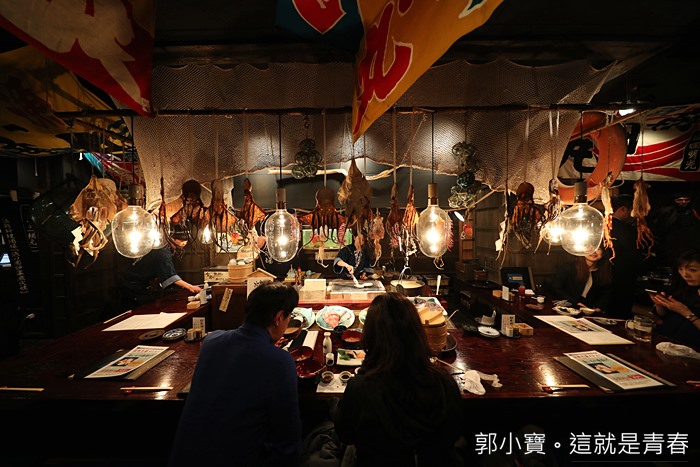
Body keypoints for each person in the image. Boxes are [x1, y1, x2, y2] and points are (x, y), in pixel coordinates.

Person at [168, 281, 302, 467]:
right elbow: (287, 436)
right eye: (289, 316)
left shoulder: (211, 341)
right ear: (279, 317)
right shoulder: (280, 361)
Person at [334, 292, 464, 466]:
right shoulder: (445, 383)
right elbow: (454, 432)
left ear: (370, 337)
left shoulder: (359, 388)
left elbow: (345, 435)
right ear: (418, 332)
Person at [119, 224, 201, 311]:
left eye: (186, 240)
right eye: (181, 240)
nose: (185, 243)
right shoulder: (163, 252)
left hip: (139, 285)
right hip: (133, 287)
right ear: (171, 238)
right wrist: (190, 287)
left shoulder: (162, 247)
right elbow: (170, 276)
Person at [649, 249, 700, 348]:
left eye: (692, 270)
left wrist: (685, 312)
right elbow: (664, 317)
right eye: (680, 269)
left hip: (691, 348)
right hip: (664, 341)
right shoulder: (683, 287)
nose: (685, 274)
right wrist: (660, 304)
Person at [542, 247, 613, 312]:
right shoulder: (568, 267)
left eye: (598, 248)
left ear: (603, 252)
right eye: (589, 247)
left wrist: (599, 307)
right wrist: (576, 303)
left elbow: (607, 293)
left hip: (589, 310)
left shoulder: (605, 271)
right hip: (567, 307)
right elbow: (556, 288)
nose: (593, 251)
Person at [608, 194, 644, 318]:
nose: (632, 215)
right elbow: (633, 254)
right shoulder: (627, 230)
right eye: (631, 211)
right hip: (623, 274)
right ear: (623, 209)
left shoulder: (602, 225)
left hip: (604, 272)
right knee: (620, 310)